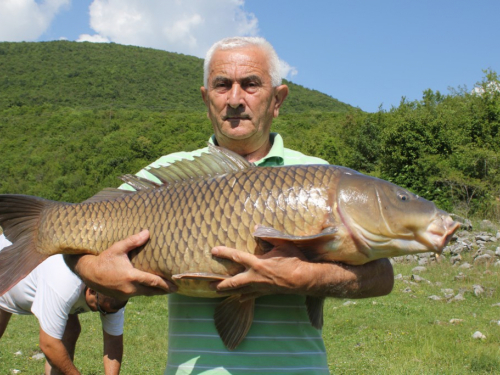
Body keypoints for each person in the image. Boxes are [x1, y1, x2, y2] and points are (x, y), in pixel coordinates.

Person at [65, 36, 394, 374]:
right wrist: (92, 272)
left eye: (251, 84)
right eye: (222, 85)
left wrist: (307, 277)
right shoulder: (165, 175)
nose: (235, 99)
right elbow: (75, 239)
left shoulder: (320, 177)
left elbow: (382, 276)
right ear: (206, 98)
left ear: (277, 99)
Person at [0, 235, 127, 375]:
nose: (105, 315)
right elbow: (49, 344)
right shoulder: (64, 282)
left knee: (70, 330)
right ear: (92, 289)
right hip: (5, 268)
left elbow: (113, 341)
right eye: (101, 309)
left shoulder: (114, 292)